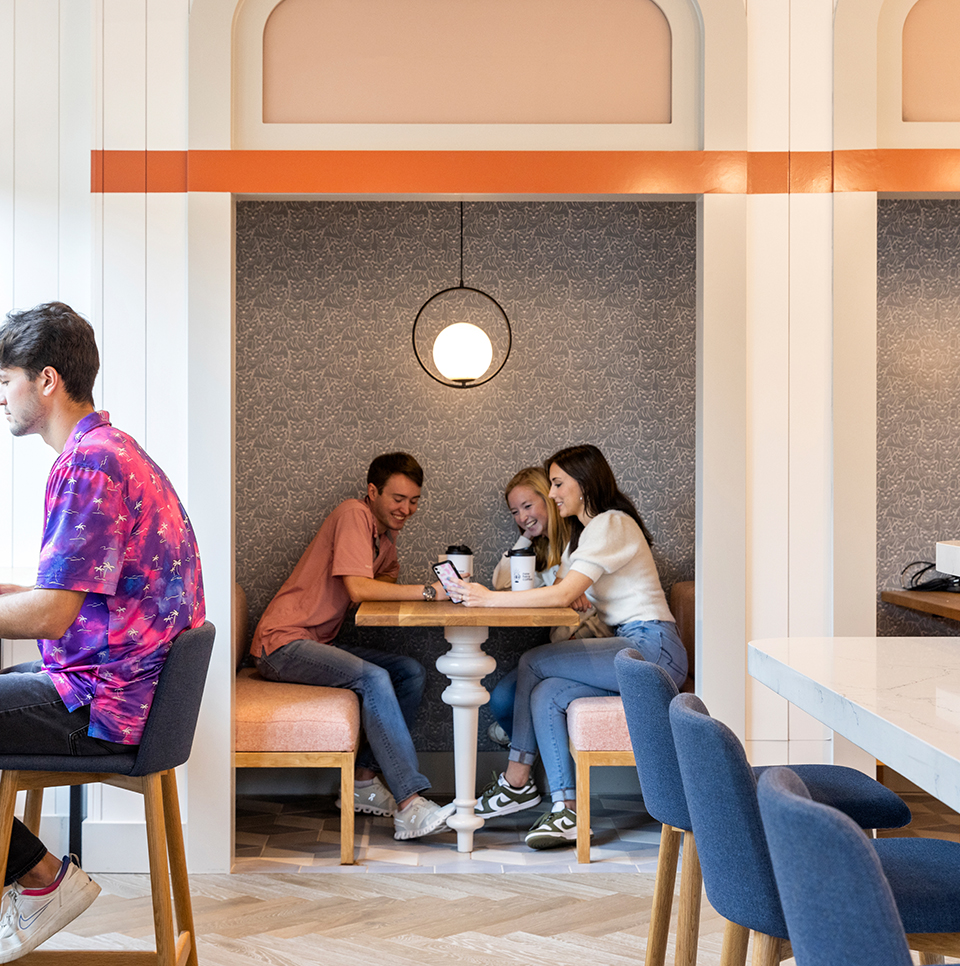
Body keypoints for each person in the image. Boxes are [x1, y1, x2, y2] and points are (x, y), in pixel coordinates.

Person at [0, 302, 205, 960]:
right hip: (127, 689)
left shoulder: (86, 466)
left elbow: (53, 615)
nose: (1, 397)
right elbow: (70, 597)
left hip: (106, 702)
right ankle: (36, 876)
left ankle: (40, 879)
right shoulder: (114, 453)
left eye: (6, 381)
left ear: (47, 380)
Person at [454, 445, 686, 850]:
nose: (554, 493)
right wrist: (567, 592)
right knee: (545, 693)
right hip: (634, 645)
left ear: (586, 482)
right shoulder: (587, 535)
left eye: (559, 483)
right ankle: (566, 811)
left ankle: (517, 782)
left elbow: (562, 595)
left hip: (653, 648)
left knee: (533, 662)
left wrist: (485, 598)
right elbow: (570, 593)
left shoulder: (611, 522)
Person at [250, 453, 455, 841]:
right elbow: (359, 589)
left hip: (315, 642)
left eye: (414, 501)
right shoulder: (352, 514)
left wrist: (391, 575)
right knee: (373, 678)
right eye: (398, 498)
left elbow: (378, 588)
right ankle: (410, 803)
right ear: (372, 491)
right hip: (281, 644)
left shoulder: (384, 539)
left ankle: (363, 781)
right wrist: (432, 592)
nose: (406, 509)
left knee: (408, 672)